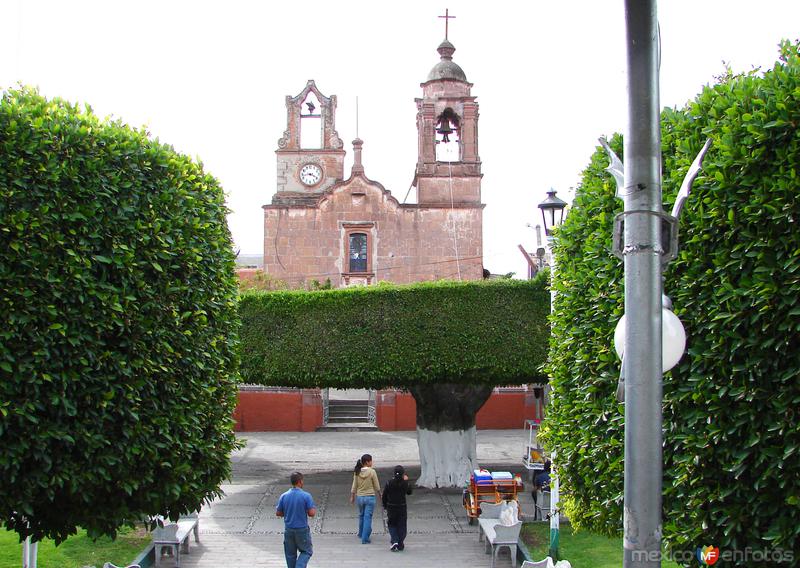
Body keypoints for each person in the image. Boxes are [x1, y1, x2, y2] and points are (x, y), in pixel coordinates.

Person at [276, 471, 316, 568]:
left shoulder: (284, 496)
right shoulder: (306, 496)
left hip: (289, 529)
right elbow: (312, 513)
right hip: (302, 529)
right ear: (300, 481)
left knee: (290, 555)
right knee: (307, 551)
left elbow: (278, 513)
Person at [350, 453, 381, 544]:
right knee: (368, 517)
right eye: (371, 461)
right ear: (367, 462)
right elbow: (376, 485)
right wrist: (380, 494)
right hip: (370, 497)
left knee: (361, 515)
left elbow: (354, 485)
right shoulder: (372, 472)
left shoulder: (357, 472)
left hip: (360, 497)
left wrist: (352, 496)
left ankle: (361, 533)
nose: (372, 462)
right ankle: (365, 538)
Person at [382, 464, 412, 551]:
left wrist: (384, 505)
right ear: (403, 474)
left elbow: (384, 495)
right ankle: (400, 542)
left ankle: (395, 540)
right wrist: (407, 481)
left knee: (392, 524)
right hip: (402, 507)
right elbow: (409, 492)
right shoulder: (404, 483)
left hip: (391, 507)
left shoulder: (389, 483)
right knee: (402, 525)